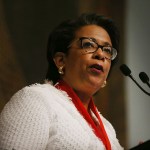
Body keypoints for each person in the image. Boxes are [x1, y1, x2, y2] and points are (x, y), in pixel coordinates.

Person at [0, 13, 123, 150]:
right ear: (61, 60)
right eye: (88, 44)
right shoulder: (36, 99)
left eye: (107, 50)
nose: (100, 55)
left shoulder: (107, 129)